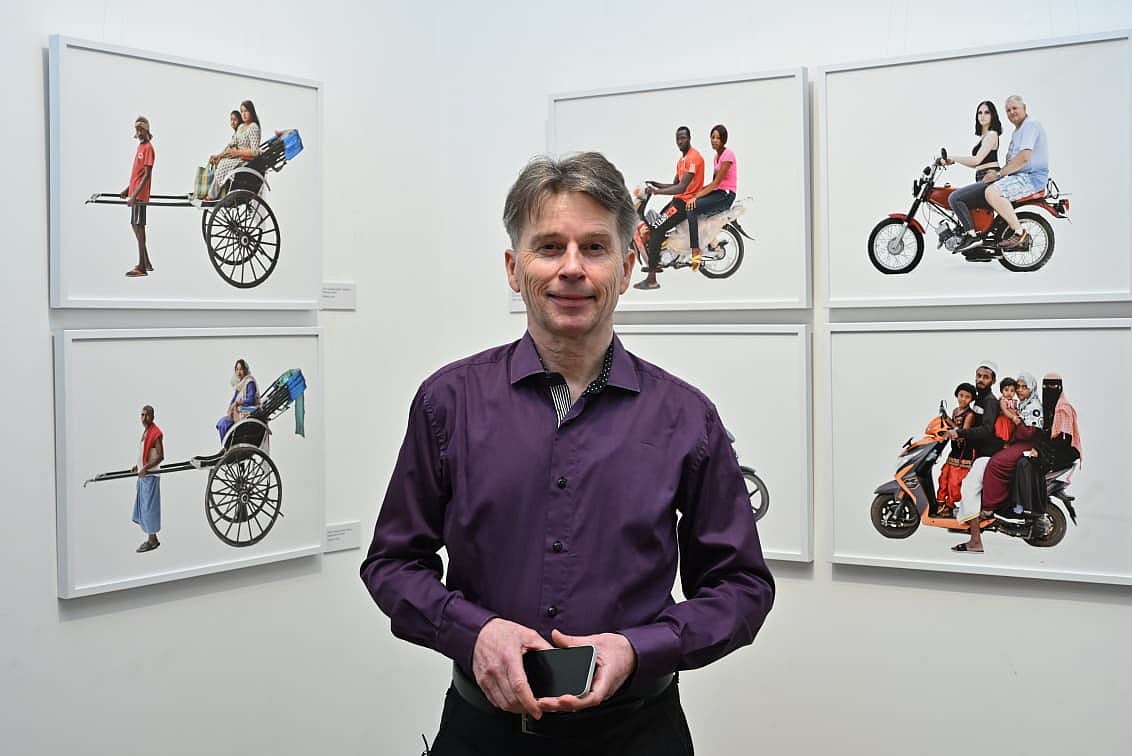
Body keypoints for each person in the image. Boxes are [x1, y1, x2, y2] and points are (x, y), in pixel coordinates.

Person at [360, 151, 774, 754]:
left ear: (626, 268)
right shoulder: (446, 403)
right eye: (550, 247)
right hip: (482, 737)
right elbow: (392, 563)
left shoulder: (687, 417)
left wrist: (638, 649)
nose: (572, 268)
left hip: (639, 736)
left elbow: (741, 587)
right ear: (513, 267)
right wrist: (475, 634)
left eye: (595, 248)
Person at [955, 373, 1042, 553]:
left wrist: (960, 433)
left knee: (989, 470)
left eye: (1024, 387)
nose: (1019, 390)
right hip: (1005, 445)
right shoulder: (1015, 403)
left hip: (1011, 447)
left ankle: (985, 518)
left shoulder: (993, 401)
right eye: (1018, 387)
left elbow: (1023, 432)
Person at [633, 126, 705, 291]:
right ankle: (657, 259)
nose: (680, 141)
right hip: (678, 201)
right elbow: (674, 185)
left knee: (656, 229)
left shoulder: (693, 158)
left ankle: (652, 279)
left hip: (685, 204)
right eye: (678, 139)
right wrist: (655, 184)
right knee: (656, 224)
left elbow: (681, 187)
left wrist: (657, 192)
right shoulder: (682, 160)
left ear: (689, 138)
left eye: (683, 138)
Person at [949, 362, 1003, 541]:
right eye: (979, 376)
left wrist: (961, 432)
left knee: (969, 487)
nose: (981, 379)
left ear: (993, 381)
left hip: (988, 452)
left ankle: (975, 540)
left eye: (986, 377)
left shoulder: (990, 401)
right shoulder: (978, 398)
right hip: (978, 450)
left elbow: (987, 429)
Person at [944, 101, 1002, 254]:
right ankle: (974, 243)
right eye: (979, 113)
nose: (982, 116)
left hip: (990, 178)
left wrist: (953, 157)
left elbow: (976, 160)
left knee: (954, 197)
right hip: (983, 175)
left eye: (986, 112)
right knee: (963, 200)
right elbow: (978, 164)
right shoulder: (984, 137)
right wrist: (953, 162)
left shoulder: (992, 135)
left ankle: (972, 236)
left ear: (993, 115)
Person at [684, 123, 737, 270]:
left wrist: (696, 197)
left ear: (724, 140)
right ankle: (704, 240)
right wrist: (695, 191)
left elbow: (716, 183)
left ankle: (695, 250)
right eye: (712, 137)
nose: (714, 140)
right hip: (718, 192)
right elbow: (712, 184)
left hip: (726, 195)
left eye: (718, 138)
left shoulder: (728, 155)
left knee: (691, 208)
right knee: (691, 202)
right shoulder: (716, 157)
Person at [206, 99, 262, 200]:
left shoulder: (253, 127)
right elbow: (231, 145)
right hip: (237, 156)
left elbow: (255, 152)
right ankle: (217, 192)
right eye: (242, 111)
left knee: (223, 165)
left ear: (251, 112)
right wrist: (219, 155)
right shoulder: (241, 127)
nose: (243, 114)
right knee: (219, 161)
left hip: (245, 159)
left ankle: (211, 196)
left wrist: (238, 152)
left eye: (246, 111)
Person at [936, 382, 977, 517]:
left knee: (955, 482)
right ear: (957, 395)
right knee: (944, 477)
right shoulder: (955, 411)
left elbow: (962, 433)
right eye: (961, 395)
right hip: (954, 452)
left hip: (964, 454)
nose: (963, 399)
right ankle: (941, 503)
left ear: (971, 399)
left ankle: (950, 506)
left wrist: (949, 422)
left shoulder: (970, 415)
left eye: (967, 397)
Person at [121, 115, 155, 278]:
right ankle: (146, 262)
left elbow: (146, 175)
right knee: (136, 226)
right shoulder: (140, 147)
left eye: (141, 129)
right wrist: (128, 190)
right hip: (135, 193)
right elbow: (137, 173)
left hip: (140, 195)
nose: (139, 132)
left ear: (146, 130)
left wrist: (134, 195)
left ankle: (142, 266)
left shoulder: (148, 148)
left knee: (138, 226)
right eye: (137, 130)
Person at [132, 405, 164, 553]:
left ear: (153, 417)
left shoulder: (155, 433)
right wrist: (138, 466)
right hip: (145, 475)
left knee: (150, 508)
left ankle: (152, 540)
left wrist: (145, 468)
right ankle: (152, 538)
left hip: (151, 476)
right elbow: (145, 453)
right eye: (142, 415)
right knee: (145, 508)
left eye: (147, 415)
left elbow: (160, 456)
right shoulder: (146, 432)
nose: (144, 418)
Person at [1041, 373, 1082, 471]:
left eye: (1053, 386)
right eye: (1045, 386)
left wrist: (1040, 450)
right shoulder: (1046, 408)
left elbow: (1064, 440)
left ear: (1060, 387)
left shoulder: (1064, 409)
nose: (1049, 389)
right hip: (1049, 451)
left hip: (1063, 453)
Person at [216, 359, 260, 442]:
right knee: (222, 423)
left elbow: (250, 400)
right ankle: (226, 445)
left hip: (247, 411)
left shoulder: (249, 382)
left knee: (225, 423)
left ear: (245, 370)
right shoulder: (239, 385)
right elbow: (233, 399)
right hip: (238, 411)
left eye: (241, 369)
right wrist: (230, 409)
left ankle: (228, 444)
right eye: (237, 369)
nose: (239, 372)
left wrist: (238, 403)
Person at [994, 376, 1019, 443]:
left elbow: (1015, 409)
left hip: (1011, 421)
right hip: (1004, 421)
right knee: (1005, 434)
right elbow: (1004, 410)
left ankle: (1010, 442)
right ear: (1001, 391)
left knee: (1012, 433)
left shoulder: (1014, 401)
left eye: (1012, 391)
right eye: (1006, 390)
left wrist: (1017, 412)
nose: (1009, 393)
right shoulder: (1003, 400)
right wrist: (1013, 417)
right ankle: (1005, 444)